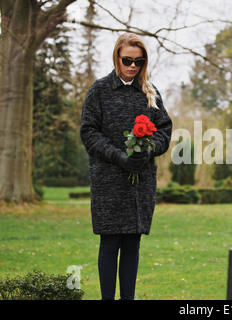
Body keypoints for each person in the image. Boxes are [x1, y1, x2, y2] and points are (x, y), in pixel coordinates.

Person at [80, 33, 172, 300]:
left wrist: (149, 150)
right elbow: (88, 132)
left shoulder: (150, 93)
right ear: (117, 58)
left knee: (132, 243)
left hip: (140, 182)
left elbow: (164, 131)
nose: (132, 66)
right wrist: (118, 156)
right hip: (107, 179)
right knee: (110, 242)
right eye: (127, 60)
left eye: (139, 61)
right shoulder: (99, 90)